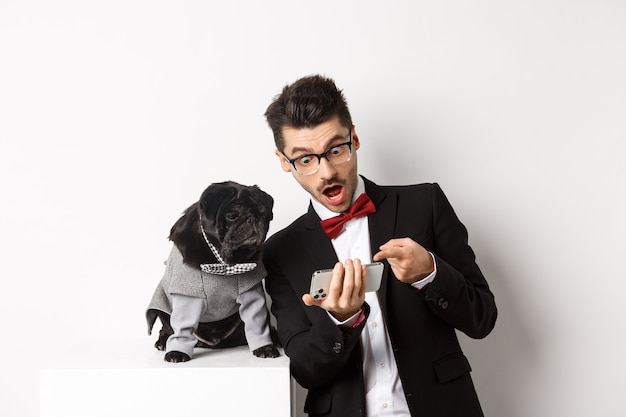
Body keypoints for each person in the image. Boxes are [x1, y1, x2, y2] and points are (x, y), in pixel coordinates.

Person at [262, 74, 497, 417]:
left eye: (336, 150)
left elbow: (482, 319)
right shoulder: (281, 251)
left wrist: (431, 273)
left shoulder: (424, 204)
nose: (326, 172)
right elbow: (305, 370)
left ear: (354, 138)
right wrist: (340, 321)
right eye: (306, 159)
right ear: (285, 161)